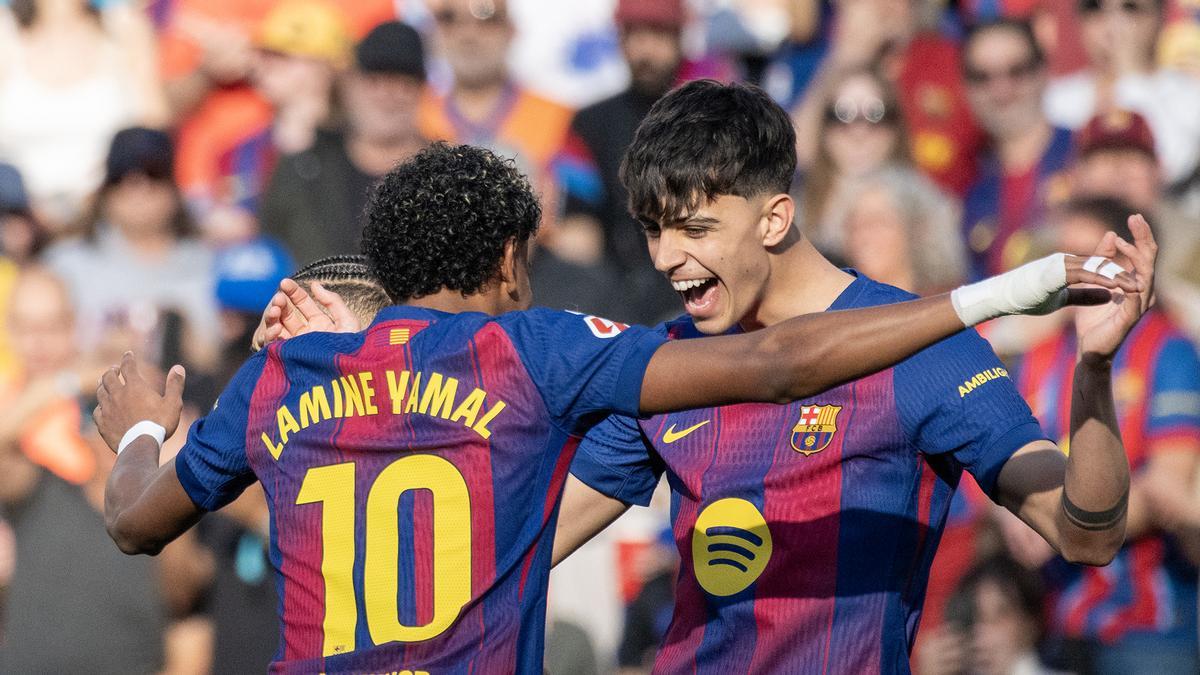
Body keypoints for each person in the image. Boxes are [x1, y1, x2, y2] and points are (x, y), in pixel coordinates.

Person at [95, 141, 1127, 673]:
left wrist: (141, 425)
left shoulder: (286, 375)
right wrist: (1002, 291)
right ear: (509, 260)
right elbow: (781, 365)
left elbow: (134, 521)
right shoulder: (531, 351)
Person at [550, 81, 1156, 673]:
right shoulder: (671, 363)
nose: (664, 257)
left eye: (695, 229)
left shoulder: (925, 349)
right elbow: (527, 549)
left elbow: (1087, 537)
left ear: (774, 219)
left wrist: (1094, 371)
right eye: (654, 229)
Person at [1013, 196, 1200, 674]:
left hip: (1149, 622)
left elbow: (1168, 483)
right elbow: (1005, 462)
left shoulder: (1168, 349)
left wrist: (1060, 522)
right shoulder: (1037, 354)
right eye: (1061, 256)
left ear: (1125, 263)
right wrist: (1014, 516)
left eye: (1086, 255)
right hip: (1049, 618)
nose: (1070, 270)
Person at [556, 0, 690, 323]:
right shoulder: (587, 124)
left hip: (692, 280)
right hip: (615, 291)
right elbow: (579, 225)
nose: (646, 50)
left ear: (679, 39)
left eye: (658, 34)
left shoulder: (708, 118)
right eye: (635, 34)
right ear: (620, 39)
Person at [42, 127, 220, 368]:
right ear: (105, 189)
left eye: (153, 173)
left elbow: (223, 362)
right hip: (88, 400)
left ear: (173, 186)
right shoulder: (64, 265)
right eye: (122, 175)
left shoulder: (209, 262)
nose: (138, 186)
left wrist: (177, 339)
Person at [261, 21, 428, 266]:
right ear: (350, 84)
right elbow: (268, 254)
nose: (387, 94)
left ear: (422, 89)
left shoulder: (447, 178)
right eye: (374, 79)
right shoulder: (302, 169)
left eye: (403, 82)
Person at [0, 0, 166, 231]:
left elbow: (152, 130)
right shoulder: (4, 31)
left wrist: (99, 199)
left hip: (110, 222)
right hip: (14, 223)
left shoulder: (125, 28)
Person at [960, 19, 1074, 279]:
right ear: (965, 88)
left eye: (1016, 71)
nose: (1001, 90)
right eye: (982, 77)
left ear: (1043, 72)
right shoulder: (969, 186)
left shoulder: (1084, 156)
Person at [1045, 0, 1200, 185]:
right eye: (1094, 8)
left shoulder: (1190, 94)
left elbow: (1172, 169)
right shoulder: (1054, 98)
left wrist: (1129, 79)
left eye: (1130, 8)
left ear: (1160, 18)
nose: (1113, 23)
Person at [797, 68, 912, 259]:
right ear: (823, 124)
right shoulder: (795, 210)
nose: (859, 132)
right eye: (843, 113)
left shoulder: (928, 209)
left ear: (895, 124)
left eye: (876, 113)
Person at [839, 165, 966, 295]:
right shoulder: (837, 309)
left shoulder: (949, 303)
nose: (863, 234)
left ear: (916, 229)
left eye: (878, 221)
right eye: (854, 223)